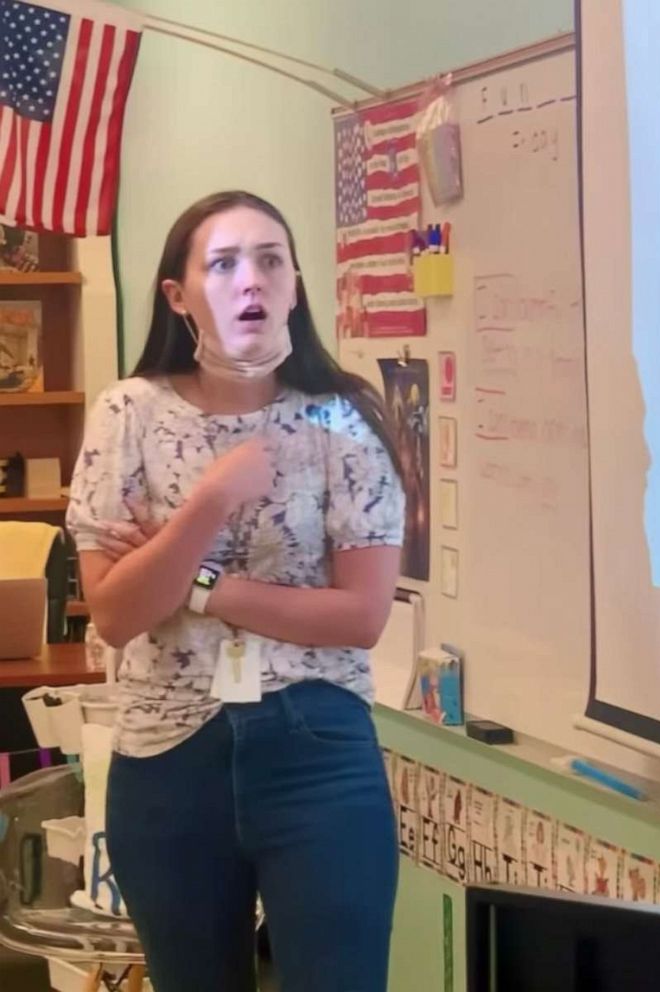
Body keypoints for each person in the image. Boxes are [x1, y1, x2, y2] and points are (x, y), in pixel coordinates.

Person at [66, 190, 406, 992]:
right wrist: (210, 500)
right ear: (179, 297)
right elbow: (115, 614)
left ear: (293, 286)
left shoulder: (344, 419)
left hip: (317, 748)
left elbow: (358, 617)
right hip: (167, 756)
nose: (249, 280)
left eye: (269, 261)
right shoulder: (128, 413)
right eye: (222, 264)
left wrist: (197, 582)